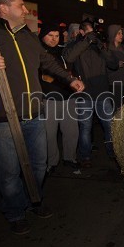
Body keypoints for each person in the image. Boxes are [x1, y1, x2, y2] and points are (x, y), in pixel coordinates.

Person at [0, 0, 84, 235]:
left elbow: (48, 62)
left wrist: (69, 79)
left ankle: (34, 200)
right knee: (9, 172)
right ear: (3, 9)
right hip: (2, 119)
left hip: (34, 113)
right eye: (20, 5)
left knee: (39, 164)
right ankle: (15, 211)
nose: (25, 10)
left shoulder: (27, 36)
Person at [62, 19, 118, 168]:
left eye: (93, 32)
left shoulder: (99, 46)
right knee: (85, 127)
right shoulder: (76, 45)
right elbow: (68, 58)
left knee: (109, 125)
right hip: (84, 94)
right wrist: (86, 41)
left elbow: (113, 64)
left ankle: (113, 152)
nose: (92, 35)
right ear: (81, 32)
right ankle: (85, 155)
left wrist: (100, 46)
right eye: (88, 32)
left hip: (102, 93)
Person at [38, 23, 80, 173]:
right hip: (49, 99)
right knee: (49, 133)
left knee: (71, 131)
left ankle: (70, 157)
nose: (54, 39)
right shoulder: (37, 52)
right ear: (42, 35)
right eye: (50, 35)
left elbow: (71, 70)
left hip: (68, 98)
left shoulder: (63, 52)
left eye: (57, 36)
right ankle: (52, 161)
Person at [106, 24, 124, 109]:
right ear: (112, 34)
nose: (121, 35)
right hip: (114, 84)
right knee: (117, 110)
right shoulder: (106, 50)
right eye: (118, 33)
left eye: (122, 33)